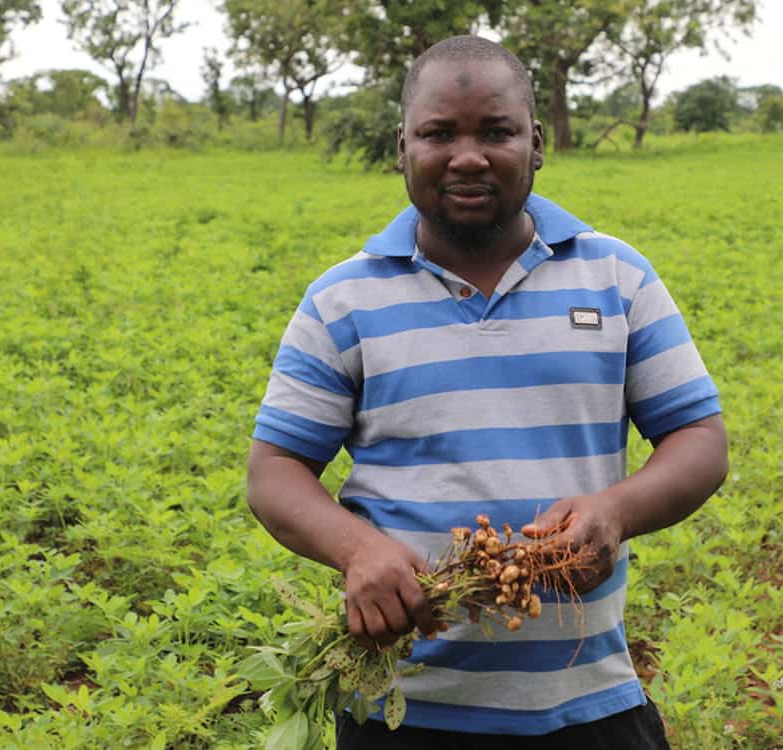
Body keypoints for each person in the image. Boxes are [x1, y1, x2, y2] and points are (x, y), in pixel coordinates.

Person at [246, 35, 728, 749]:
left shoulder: (617, 278)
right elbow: (275, 472)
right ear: (402, 146)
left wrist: (614, 511)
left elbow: (700, 440)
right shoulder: (342, 299)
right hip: (401, 707)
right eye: (438, 133)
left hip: (586, 700)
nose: (467, 156)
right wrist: (359, 551)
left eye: (496, 132)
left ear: (535, 144)